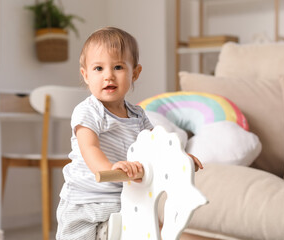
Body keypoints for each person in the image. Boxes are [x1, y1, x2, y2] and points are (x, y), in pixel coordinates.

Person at [56, 26, 203, 240]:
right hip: (86, 201)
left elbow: (156, 148)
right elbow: (89, 147)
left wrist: (178, 159)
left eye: (117, 67)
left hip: (124, 198)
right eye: (98, 69)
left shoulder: (137, 115)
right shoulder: (88, 111)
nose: (108, 76)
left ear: (134, 73)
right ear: (85, 75)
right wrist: (109, 168)